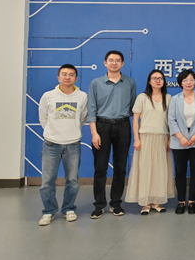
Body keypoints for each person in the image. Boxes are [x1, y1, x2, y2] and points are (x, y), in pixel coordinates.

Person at [88, 50, 136, 219]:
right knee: (100, 168)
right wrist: (94, 133)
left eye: (117, 60)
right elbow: (91, 109)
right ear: (105, 63)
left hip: (123, 126)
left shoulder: (129, 83)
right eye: (111, 60)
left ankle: (116, 204)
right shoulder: (96, 83)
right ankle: (99, 204)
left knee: (120, 167)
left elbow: (133, 106)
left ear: (122, 64)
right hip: (102, 126)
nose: (114, 63)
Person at [38, 64, 88, 226]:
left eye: (71, 74)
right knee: (47, 181)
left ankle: (68, 209)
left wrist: (72, 131)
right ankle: (48, 211)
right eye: (64, 74)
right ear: (58, 77)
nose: (68, 77)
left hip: (73, 144)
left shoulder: (82, 96)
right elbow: (43, 117)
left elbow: (82, 118)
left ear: (76, 78)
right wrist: (52, 132)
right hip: (51, 145)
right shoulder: (48, 96)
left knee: (72, 180)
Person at [125, 69, 175, 215]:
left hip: (162, 138)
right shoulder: (142, 97)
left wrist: (170, 139)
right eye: (154, 78)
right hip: (145, 138)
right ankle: (145, 202)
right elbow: (135, 119)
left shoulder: (168, 98)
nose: (157, 81)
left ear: (164, 81)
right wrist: (136, 139)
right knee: (145, 170)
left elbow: (171, 121)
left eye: (160, 78)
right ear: (149, 81)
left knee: (160, 170)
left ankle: (156, 201)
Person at [168, 70, 195, 215]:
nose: (188, 83)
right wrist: (181, 137)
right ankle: (181, 201)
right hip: (179, 141)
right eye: (185, 80)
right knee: (180, 171)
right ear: (180, 83)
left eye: (191, 80)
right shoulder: (174, 99)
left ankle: (192, 201)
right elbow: (171, 120)